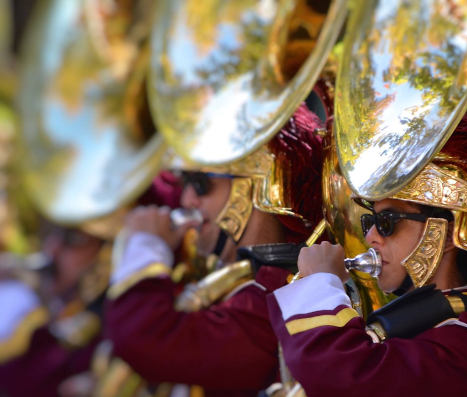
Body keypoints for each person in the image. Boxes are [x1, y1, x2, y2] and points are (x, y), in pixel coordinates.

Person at [268, 109, 467, 396]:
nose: (370, 236)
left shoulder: (466, 340)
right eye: (370, 221)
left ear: (449, 232)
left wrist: (319, 287)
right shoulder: (424, 323)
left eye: (387, 222)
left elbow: (348, 375)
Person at [105, 102, 327, 397]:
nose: (185, 200)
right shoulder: (235, 286)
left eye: (199, 183)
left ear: (256, 184)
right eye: (184, 183)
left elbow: (142, 335)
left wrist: (147, 244)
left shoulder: (277, 304)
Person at [0, 172, 181, 397]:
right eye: (55, 233)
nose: (53, 249)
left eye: (73, 240)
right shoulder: (56, 316)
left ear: (110, 251)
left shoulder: (114, 332)